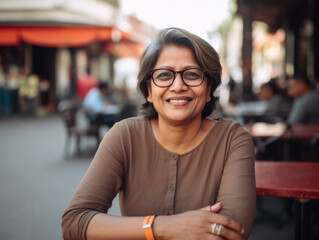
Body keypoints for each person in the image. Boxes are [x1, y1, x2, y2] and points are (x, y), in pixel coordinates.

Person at [62, 27, 256, 240]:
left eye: (192, 74)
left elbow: (232, 230)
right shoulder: (124, 136)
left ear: (209, 89)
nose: (178, 85)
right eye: (164, 75)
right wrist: (160, 227)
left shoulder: (232, 139)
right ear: (148, 91)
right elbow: (75, 223)